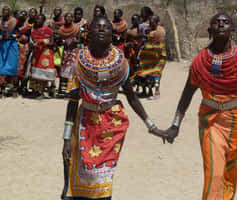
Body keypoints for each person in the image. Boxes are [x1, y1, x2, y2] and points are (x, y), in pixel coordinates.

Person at [61, 16, 166, 200]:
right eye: (97, 27)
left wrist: (151, 126)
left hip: (112, 124)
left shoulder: (121, 63)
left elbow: (132, 98)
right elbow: (72, 101)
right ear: (89, 33)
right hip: (85, 123)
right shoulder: (79, 62)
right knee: (80, 171)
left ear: (112, 34)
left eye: (106, 28)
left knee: (103, 178)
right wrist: (66, 138)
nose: (101, 30)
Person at [165, 13, 237, 200]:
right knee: (214, 172)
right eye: (216, 22)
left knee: (229, 173)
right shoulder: (200, 62)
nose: (221, 25)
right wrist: (175, 124)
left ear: (232, 30)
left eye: (226, 22)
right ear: (209, 30)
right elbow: (186, 95)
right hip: (210, 121)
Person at [136, 15, 166, 100]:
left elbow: (159, 44)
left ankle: (157, 93)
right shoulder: (149, 30)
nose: (151, 23)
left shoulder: (161, 31)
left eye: (153, 22)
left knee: (156, 73)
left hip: (158, 56)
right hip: (147, 55)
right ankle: (148, 92)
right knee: (147, 74)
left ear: (157, 22)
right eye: (150, 22)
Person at [29, 14, 56, 98]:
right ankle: (36, 90)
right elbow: (32, 42)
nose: (37, 21)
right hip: (37, 54)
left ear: (43, 20)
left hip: (46, 54)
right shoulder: (33, 31)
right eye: (36, 19)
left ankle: (43, 91)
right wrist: (33, 45)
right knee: (36, 73)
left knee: (44, 73)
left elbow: (52, 43)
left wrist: (43, 42)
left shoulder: (49, 30)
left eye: (40, 19)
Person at [58, 13, 80, 96]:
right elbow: (59, 41)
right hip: (65, 51)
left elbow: (79, 40)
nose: (68, 18)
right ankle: (62, 90)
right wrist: (64, 42)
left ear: (72, 18)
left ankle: (72, 89)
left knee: (72, 69)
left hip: (74, 51)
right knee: (64, 70)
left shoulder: (76, 28)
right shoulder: (61, 29)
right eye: (66, 17)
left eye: (70, 17)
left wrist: (73, 41)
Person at [0, 6, 19, 97]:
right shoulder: (0, 21)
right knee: (1, 67)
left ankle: (12, 89)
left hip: (11, 46)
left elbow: (13, 33)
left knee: (11, 66)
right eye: (3, 10)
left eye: (7, 10)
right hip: (2, 45)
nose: (5, 12)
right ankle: (2, 89)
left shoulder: (14, 21)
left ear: (10, 12)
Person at [16, 10, 31, 95]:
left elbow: (29, 39)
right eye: (20, 14)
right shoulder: (14, 25)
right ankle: (16, 87)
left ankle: (23, 87)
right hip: (15, 48)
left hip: (24, 49)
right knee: (16, 68)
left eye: (24, 15)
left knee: (24, 68)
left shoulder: (27, 27)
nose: (22, 16)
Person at [125, 14, 141, 78]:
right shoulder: (128, 30)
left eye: (136, 20)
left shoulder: (141, 29)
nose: (135, 21)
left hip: (139, 49)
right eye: (133, 20)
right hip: (130, 50)